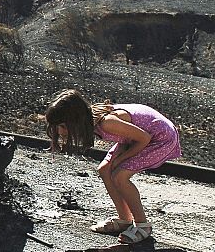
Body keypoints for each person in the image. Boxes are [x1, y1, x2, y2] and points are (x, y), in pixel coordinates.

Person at [44, 89, 181, 243]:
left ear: (76, 119)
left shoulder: (107, 123)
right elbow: (130, 135)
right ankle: (124, 219)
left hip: (160, 138)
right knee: (104, 169)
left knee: (120, 176)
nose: (60, 131)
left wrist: (121, 158)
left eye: (63, 126)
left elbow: (144, 138)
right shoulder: (92, 118)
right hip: (135, 138)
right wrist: (118, 159)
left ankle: (143, 225)